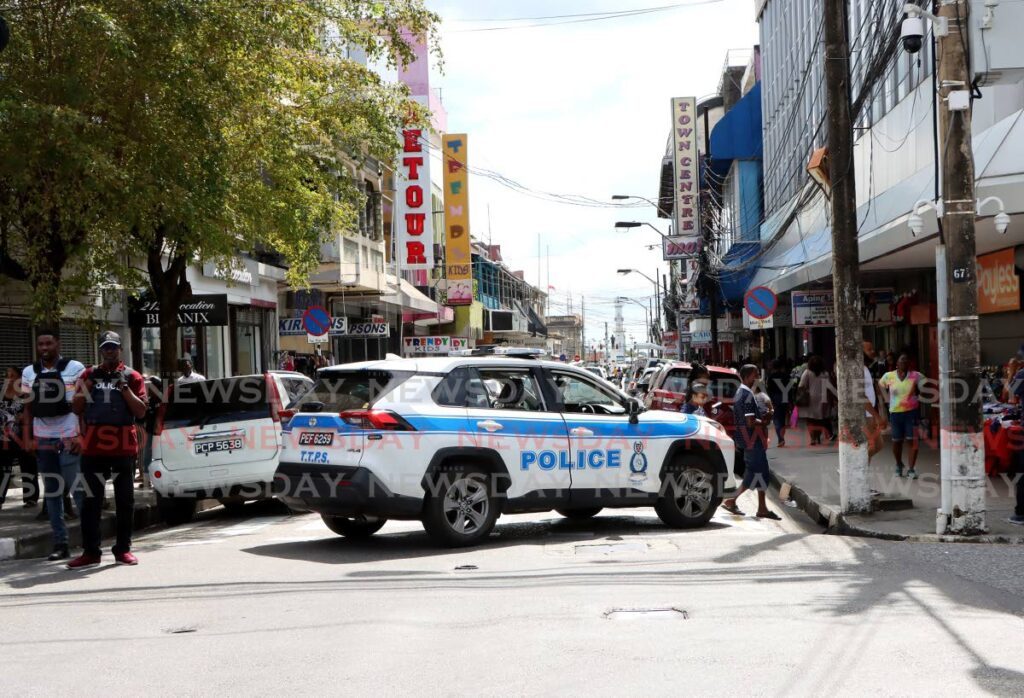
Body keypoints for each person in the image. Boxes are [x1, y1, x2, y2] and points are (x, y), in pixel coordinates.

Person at [67, 331, 148, 569]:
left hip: (123, 445)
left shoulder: (132, 376)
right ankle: (91, 551)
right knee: (91, 501)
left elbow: (141, 411)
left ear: (120, 349)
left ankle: (123, 549)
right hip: (93, 446)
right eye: (105, 348)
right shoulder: (88, 374)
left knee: (125, 501)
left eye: (113, 347)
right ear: (100, 350)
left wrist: (124, 389)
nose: (110, 351)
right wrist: (88, 386)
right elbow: (76, 407)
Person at [22, 328, 86, 561]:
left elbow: (83, 405)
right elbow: (28, 408)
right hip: (43, 438)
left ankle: (90, 543)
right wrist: (28, 437)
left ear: (57, 343)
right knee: (52, 493)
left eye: (49, 343)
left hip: (69, 437)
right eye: (41, 344)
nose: (45, 348)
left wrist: (81, 435)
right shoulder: (29, 372)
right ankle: (61, 544)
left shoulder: (75, 368)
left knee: (78, 491)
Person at [721, 365, 780, 520]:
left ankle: (739, 502)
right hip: (752, 440)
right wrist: (766, 420)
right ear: (747, 376)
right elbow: (750, 421)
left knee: (753, 473)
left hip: (747, 440)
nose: (757, 379)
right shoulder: (746, 394)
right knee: (761, 472)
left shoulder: (741, 392)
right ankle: (755, 507)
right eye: (755, 375)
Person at [879, 353, 924, 478]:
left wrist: (919, 397)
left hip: (912, 413)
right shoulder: (889, 376)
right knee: (896, 442)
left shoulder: (916, 375)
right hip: (895, 413)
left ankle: (911, 469)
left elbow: (927, 386)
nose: (904, 362)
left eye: (906, 361)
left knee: (912, 440)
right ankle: (899, 464)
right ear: (897, 364)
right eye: (901, 361)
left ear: (909, 364)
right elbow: (880, 385)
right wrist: (886, 398)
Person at [0, 366, 37, 510]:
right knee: (3, 468)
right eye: (7, 375)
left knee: (28, 466)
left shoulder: (26, 393)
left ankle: (30, 498)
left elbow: (33, 411)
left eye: (12, 375)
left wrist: (24, 417)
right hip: (4, 437)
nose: (9, 378)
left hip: (23, 435)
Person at [798, 355, 835, 445]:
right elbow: (829, 387)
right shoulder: (825, 374)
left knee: (810, 419)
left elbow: (801, 386)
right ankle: (817, 436)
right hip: (823, 398)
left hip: (810, 398)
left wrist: (803, 393)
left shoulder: (807, 372)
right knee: (819, 419)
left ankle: (813, 438)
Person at [766, 358, 793, 447]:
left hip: (775, 398)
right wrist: (790, 401)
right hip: (784, 398)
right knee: (782, 418)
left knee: (776, 419)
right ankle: (781, 437)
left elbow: (768, 390)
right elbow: (790, 390)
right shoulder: (786, 376)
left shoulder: (771, 377)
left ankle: (781, 439)